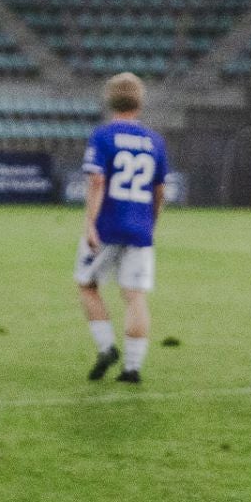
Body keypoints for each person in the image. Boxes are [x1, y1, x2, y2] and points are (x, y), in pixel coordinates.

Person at [75, 71, 167, 384]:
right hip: (140, 230)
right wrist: (151, 222)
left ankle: (105, 347)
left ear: (109, 100)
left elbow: (98, 180)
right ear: (140, 103)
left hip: (108, 226)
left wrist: (90, 223)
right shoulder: (155, 141)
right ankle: (132, 368)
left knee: (87, 285)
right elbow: (160, 191)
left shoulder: (103, 136)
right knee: (135, 296)